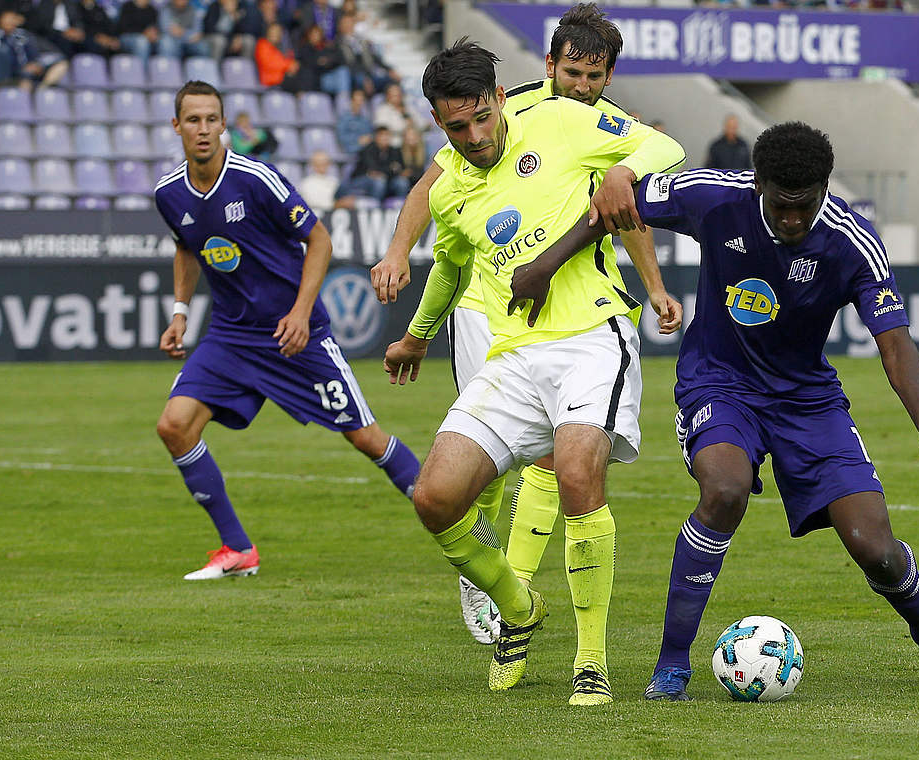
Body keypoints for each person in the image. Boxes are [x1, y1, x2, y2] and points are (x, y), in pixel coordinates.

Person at [607, 123, 919, 700]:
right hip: (719, 381)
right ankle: (671, 665)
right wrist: (606, 189)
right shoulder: (713, 196)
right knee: (724, 490)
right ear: (758, 183)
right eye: (781, 205)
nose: (793, 220)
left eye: (806, 206)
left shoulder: (850, 240)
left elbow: (893, 340)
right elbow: (613, 204)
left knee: (876, 548)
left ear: (824, 190)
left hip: (807, 400)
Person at [370, 3, 682, 650]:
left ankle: (519, 594)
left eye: (595, 76)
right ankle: (484, 573)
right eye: (573, 71)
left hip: (568, 311)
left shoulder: (598, 126)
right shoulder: (511, 108)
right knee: (478, 469)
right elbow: (434, 191)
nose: (582, 85)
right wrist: (400, 255)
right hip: (486, 306)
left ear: (608, 74)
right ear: (549, 66)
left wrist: (652, 288)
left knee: (550, 459)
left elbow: (624, 210)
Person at [152, 81, 421, 580]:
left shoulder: (256, 179)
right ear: (177, 126)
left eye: (213, 118)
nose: (204, 129)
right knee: (174, 426)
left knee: (366, 439)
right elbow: (187, 247)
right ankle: (237, 549)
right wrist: (181, 311)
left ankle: (452, 512)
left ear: (224, 123)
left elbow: (318, 239)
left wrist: (300, 313)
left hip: (295, 336)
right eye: (193, 120)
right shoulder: (169, 194)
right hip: (231, 336)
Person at [297, 149, 339, 215]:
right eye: (318, 163)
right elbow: (314, 203)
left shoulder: (335, 181)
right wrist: (336, 204)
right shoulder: (306, 183)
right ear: (313, 164)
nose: (322, 165)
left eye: (325, 162)